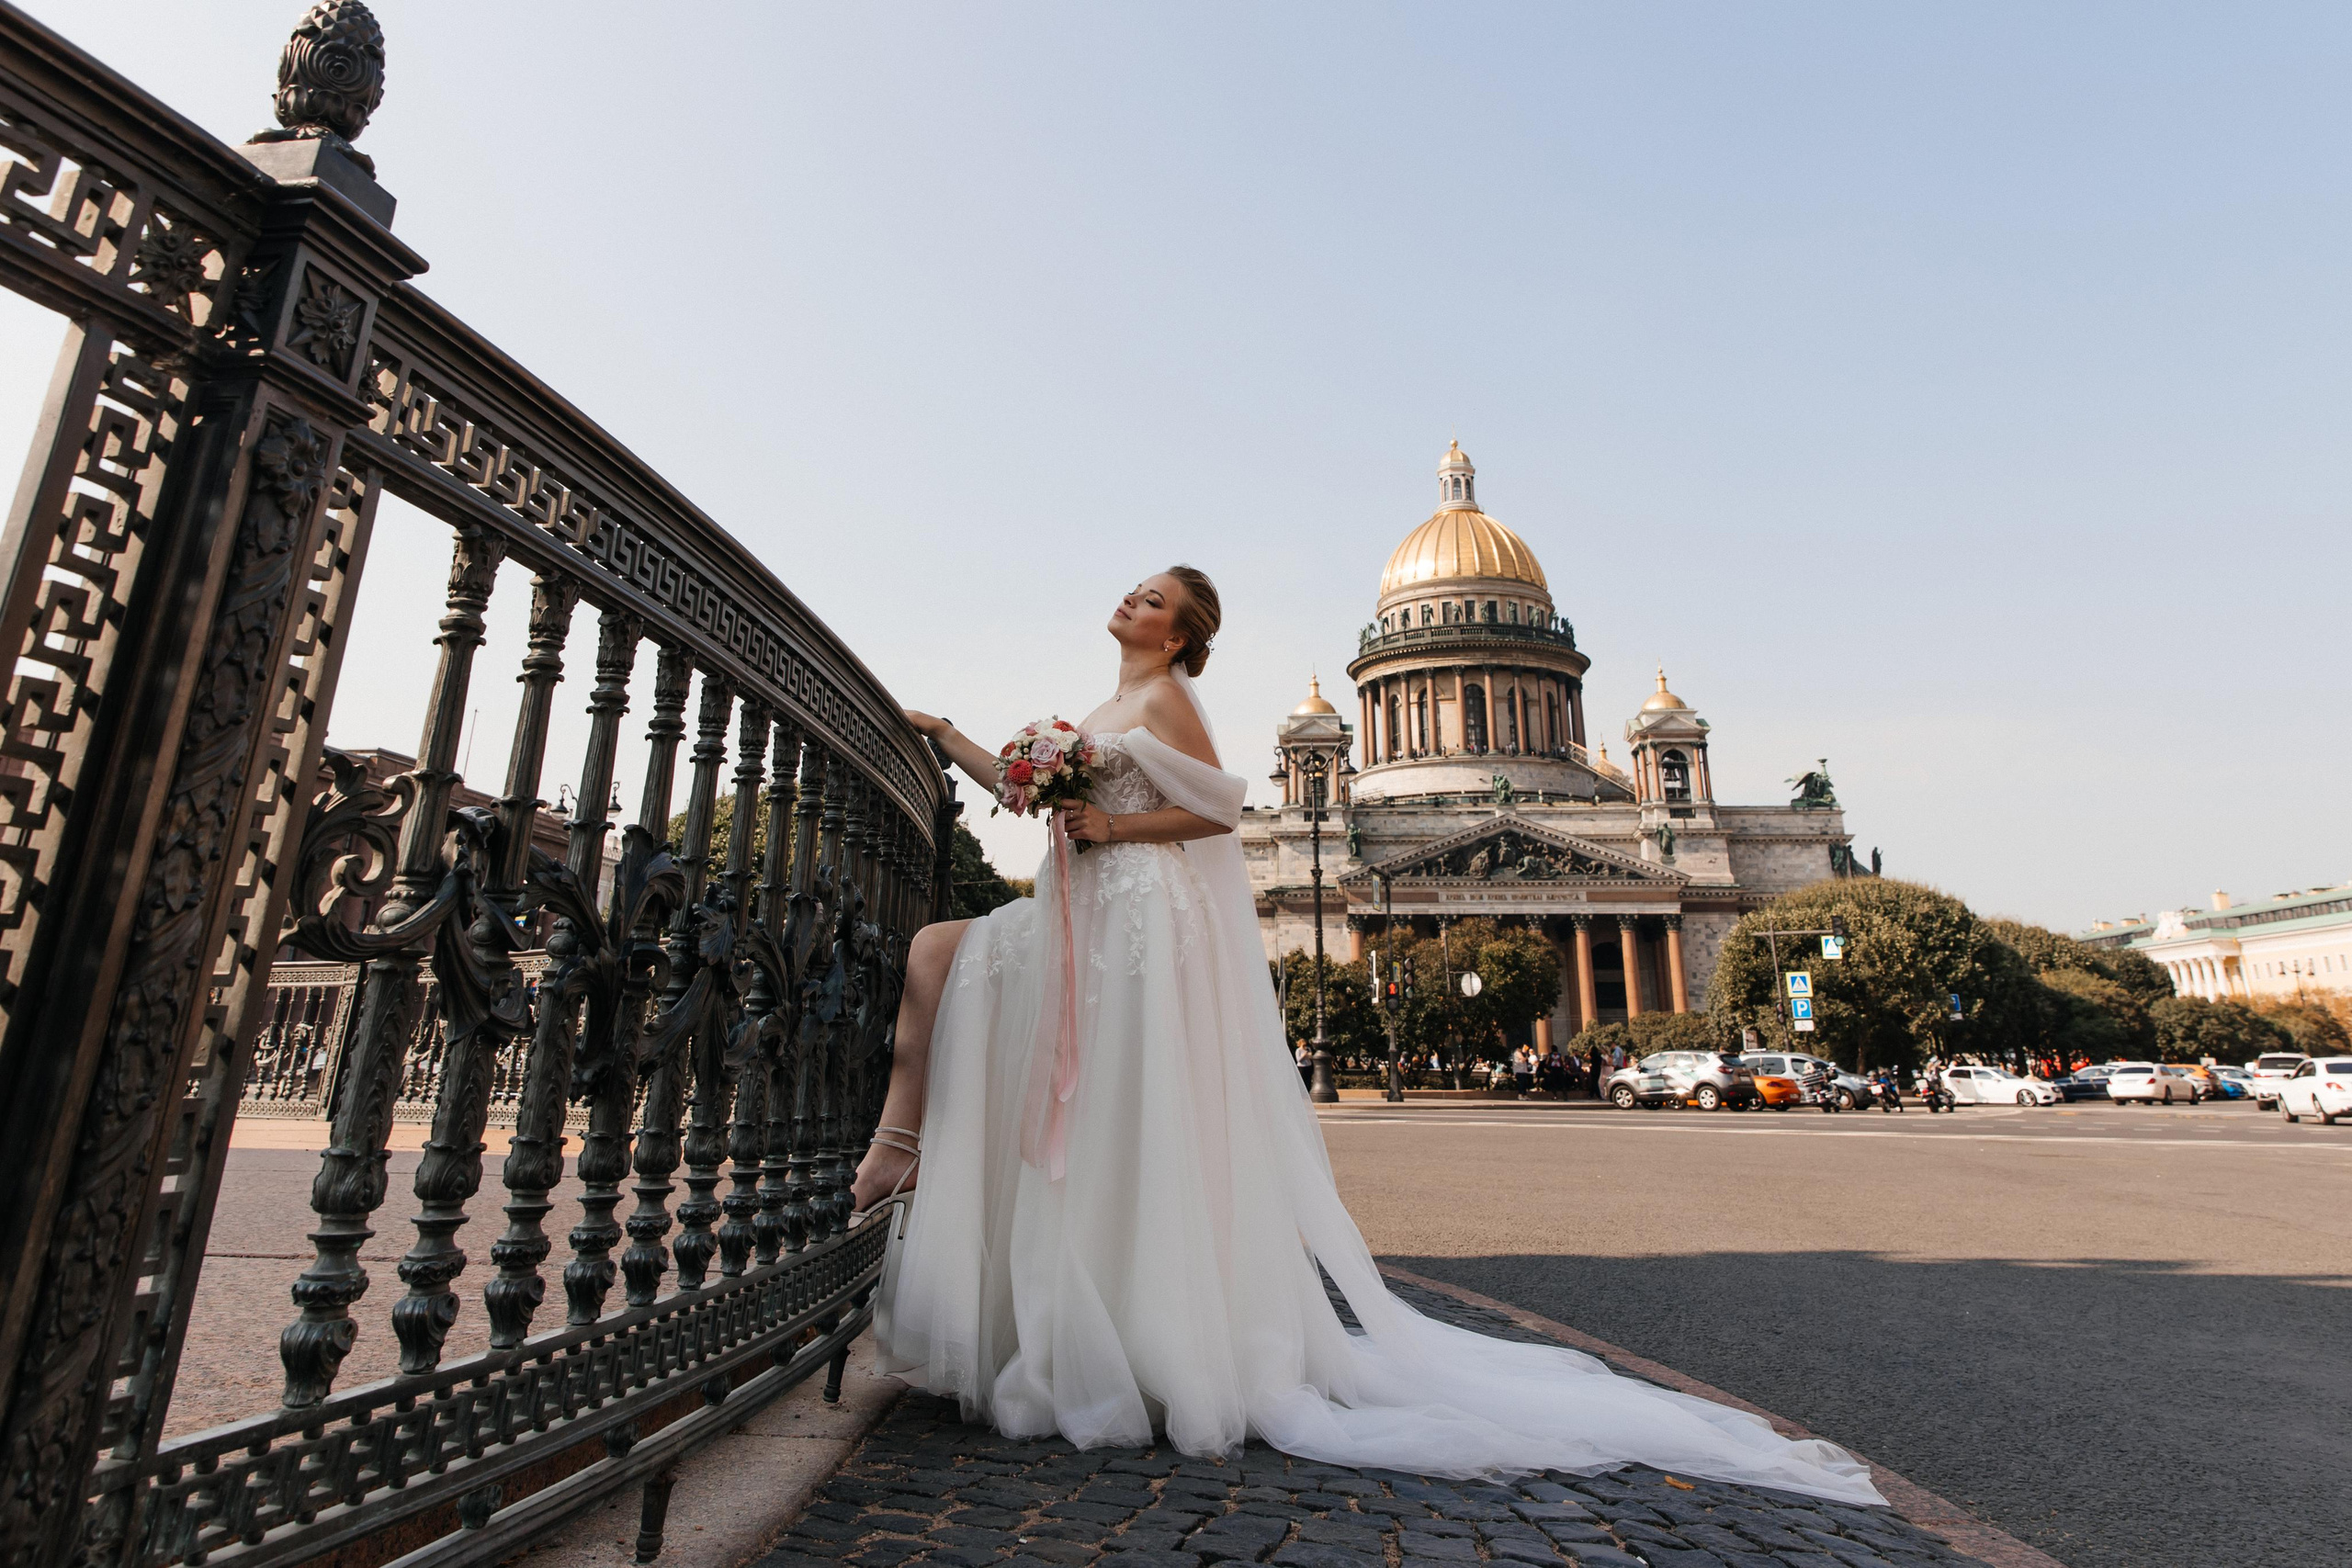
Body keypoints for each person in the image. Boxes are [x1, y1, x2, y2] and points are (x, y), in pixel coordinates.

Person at [862, 567, 1880, 1501]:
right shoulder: (1107, 708)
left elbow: (1213, 808)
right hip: (1099, 915)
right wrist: (946, 731)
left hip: (1123, 912)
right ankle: (959, 1200)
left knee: (1070, 1081)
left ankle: (932, 1180)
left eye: (1153, 597)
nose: (1131, 600)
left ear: (1183, 638)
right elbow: (1029, 788)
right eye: (1134, 590)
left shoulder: (1164, 700)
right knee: (1039, 1059)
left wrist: (1113, 830)